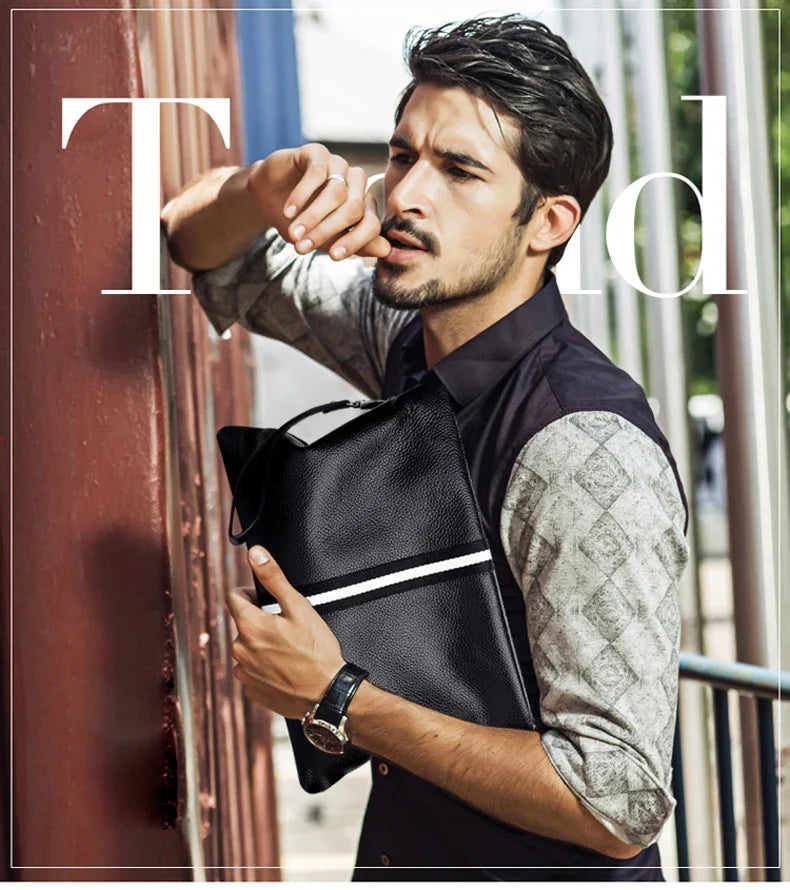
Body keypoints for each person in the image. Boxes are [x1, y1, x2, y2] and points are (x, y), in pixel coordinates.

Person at [161, 15, 689, 881]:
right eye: (403, 155)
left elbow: (618, 799)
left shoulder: (584, 449)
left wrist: (340, 697)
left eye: (460, 171)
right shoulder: (408, 338)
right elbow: (207, 251)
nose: (405, 194)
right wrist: (264, 187)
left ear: (547, 221)